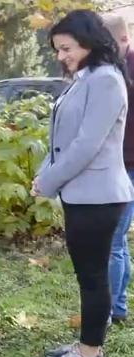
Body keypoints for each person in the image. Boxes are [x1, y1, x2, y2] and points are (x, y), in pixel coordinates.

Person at [33, 10, 133, 357]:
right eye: (57, 50)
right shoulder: (83, 78)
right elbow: (61, 140)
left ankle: (91, 356)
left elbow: (86, 145)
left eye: (66, 48)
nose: (61, 56)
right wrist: (44, 174)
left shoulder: (106, 80)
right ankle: (85, 345)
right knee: (86, 274)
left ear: (88, 42)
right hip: (81, 194)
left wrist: (50, 180)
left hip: (100, 196)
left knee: (92, 277)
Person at [103, 13, 134, 325]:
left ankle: (110, 309)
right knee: (119, 240)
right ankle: (118, 307)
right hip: (121, 165)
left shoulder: (124, 72)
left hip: (127, 166)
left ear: (124, 39)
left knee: (112, 240)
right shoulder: (115, 68)